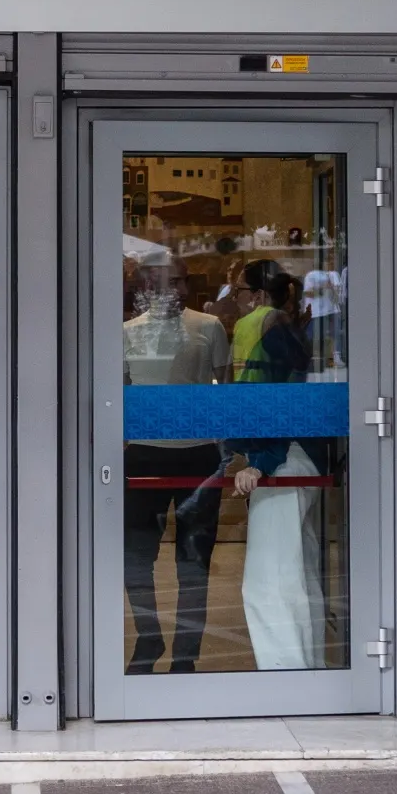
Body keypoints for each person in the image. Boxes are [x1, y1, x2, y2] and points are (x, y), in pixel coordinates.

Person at [121, 258, 232, 673]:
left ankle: (186, 655)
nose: (173, 289)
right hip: (145, 452)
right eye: (162, 282)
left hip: (199, 452)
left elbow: (226, 387)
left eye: (179, 281)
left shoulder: (208, 326)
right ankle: (148, 640)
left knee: (194, 560)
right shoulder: (126, 332)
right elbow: (121, 394)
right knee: (136, 558)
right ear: (145, 286)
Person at [225, 269, 327, 670]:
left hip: (284, 460)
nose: (234, 301)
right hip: (302, 458)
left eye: (239, 292)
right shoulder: (296, 332)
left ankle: (286, 677)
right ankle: (307, 671)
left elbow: (270, 400)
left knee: (270, 580)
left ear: (259, 296)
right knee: (298, 572)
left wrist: (262, 461)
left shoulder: (263, 328)